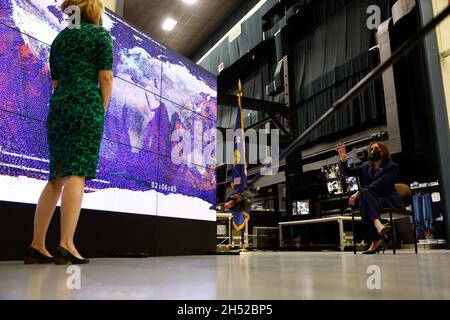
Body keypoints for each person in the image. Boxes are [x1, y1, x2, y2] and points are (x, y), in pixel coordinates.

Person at [24, 0, 114, 265]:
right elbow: (106, 78)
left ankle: (37, 244)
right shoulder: (99, 34)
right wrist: (102, 109)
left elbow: (55, 81)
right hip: (86, 104)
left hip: (60, 105)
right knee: (77, 172)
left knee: (56, 176)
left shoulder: (60, 40)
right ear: (93, 10)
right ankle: (66, 244)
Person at [336, 141, 405, 254]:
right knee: (366, 197)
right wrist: (343, 160)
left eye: (376, 148)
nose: (373, 151)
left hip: (387, 199)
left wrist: (358, 193)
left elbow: (380, 183)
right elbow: (348, 172)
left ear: (382, 151)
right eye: (371, 149)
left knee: (365, 198)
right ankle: (378, 225)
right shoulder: (365, 166)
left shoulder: (392, 166)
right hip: (372, 200)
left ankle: (375, 240)